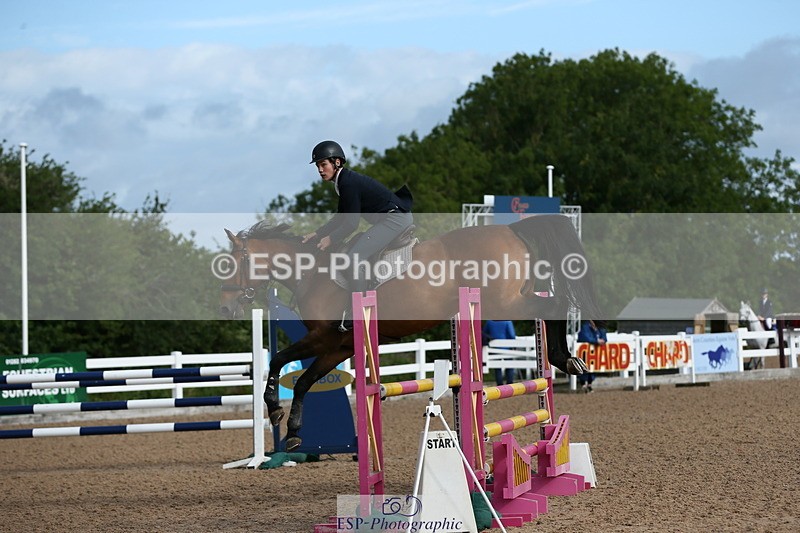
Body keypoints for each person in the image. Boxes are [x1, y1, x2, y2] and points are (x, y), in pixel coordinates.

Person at [302, 140, 413, 331]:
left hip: (394, 219)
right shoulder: (343, 181)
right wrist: (318, 233)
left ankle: (361, 312)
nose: (320, 170)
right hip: (391, 218)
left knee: (353, 258)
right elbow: (341, 218)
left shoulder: (347, 183)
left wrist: (331, 239)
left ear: (337, 162)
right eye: (318, 166)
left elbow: (351, 224)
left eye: (323, 164)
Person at [482, 320, 517, 385]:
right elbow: (512, 335)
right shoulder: (507, 322)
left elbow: (484, 333)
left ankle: (499, 384)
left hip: (494, 348)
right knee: (509, 365)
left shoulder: (489, 322)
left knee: (497, 368)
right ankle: (509, 383)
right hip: (506, 348)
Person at [577, 320, 607, 392]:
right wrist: (596, 341)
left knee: (593, 368)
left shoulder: (600, 328)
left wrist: (602, 340)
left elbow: (604, 338)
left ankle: (590, 384)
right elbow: (585, 337)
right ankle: (583, 384)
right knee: (584, 367)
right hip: (585, 352)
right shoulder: (585, 327)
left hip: (595, 352)